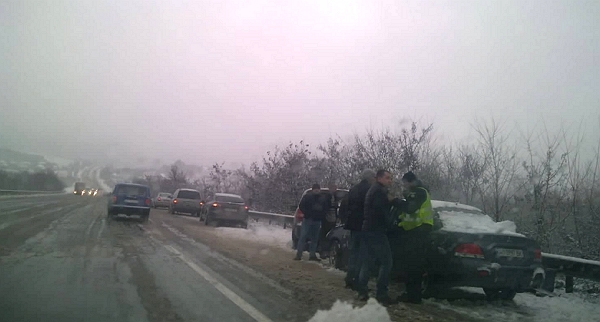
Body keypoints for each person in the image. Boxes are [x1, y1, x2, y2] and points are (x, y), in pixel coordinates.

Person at [356, 169, 399, 306]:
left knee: (367, 261)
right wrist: (391, 221)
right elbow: (381, 211)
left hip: (368, 229)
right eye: (387, 178)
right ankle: (381, 294)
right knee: (387, 262)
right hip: (377, 231)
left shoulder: (373, 190)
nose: (390, 181)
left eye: (390, 178)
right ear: (379, 178)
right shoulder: (380, 192)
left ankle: (362, 290)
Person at [396, 171, 433, 304]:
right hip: (416, 231)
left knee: (413, 265)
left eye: (405, 183)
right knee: (412, 264)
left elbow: (410, 209)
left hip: (419, 231)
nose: (404, 186)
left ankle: (414, 296)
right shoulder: (417, 192)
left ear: (409, 181)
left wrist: (396, 201)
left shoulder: (418, 192)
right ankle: (412, 294)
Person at [343, 169, 376, 290]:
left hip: (353, 225)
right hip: (364, 225)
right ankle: (357, 281)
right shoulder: (370, 190)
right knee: (362, 255)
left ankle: (349, 279)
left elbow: (346, 205)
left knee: (353, 253)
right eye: (374, 177)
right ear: (370, 178)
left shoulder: (354, 189)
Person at [294, 183, 331, 261]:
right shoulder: (307, 197)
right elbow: (301, 206)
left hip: (317, 220)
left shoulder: (323, 198)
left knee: (314, 238)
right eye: (315, 189)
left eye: (318, 189)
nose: (317, 190)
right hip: (308, 219)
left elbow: (326, 208)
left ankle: (312, 255)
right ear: (313, 189)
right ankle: (299, 255)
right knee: (303, 237)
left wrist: (322, 215)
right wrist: (307, 213)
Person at [319, 183, 339, 259]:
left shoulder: (335, 196)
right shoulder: (327, 197)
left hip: (333, 219)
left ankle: (327, 251)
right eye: (333, 188)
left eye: (335, 188)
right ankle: (323, 251)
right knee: (324, 235)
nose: (334, 190)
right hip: (327, 219)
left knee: (329, 235)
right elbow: (325, 207)